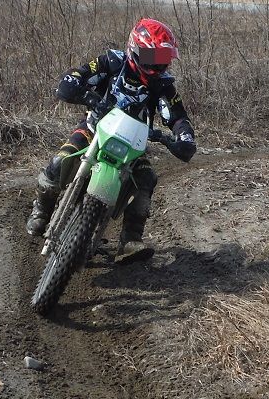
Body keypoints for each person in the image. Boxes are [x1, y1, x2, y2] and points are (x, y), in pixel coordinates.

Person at [27, 18, 197, 255]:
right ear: (135, 49)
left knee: (147, 179)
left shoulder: (164, 86)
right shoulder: (112, 62)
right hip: (94, 129)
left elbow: (177, 116)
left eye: (163, 59)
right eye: (153, 57)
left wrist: (184, 137)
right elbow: (74, 77)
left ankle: (130, 240)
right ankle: (41, 211)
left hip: (133, 146)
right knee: (61, 159)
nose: (158, 65)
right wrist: (85, 94)